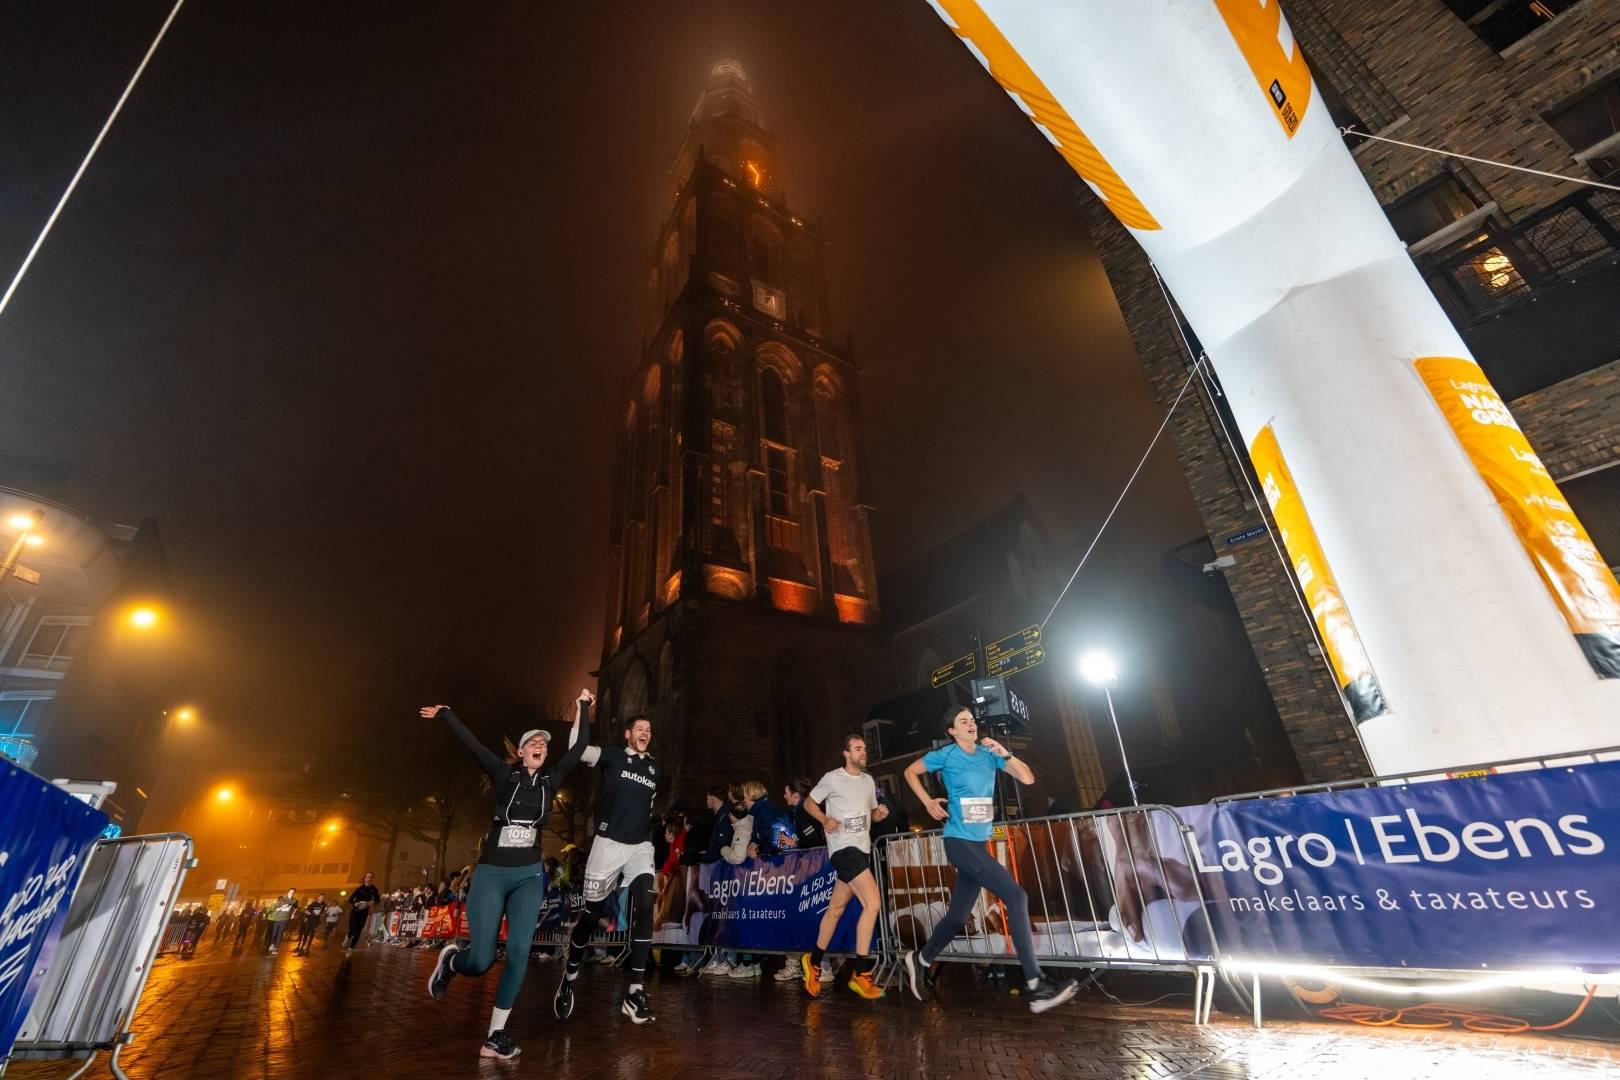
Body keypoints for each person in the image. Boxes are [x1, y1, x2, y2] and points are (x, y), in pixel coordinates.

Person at [423, 691, 591, 1061]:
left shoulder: (550, 781)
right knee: (481, 961)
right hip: (492, 874)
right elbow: (472, 745)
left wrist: (582, 706)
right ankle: (452, 962)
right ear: (521, 751)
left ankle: (494, 1036)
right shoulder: (503, 774)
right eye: (534, 742)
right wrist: (447, 714)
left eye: (544, 744)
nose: (540, 746)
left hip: (528, 876)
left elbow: (579, 747)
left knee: (519, 953)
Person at [899, 706, 1076, 1014]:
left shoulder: (988, 754)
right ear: (952, 731)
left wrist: (1006, 753)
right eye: (963, 721)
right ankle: (1036, 985)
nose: (971, 724)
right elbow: (909, 772)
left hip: (979, 845)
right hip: (958, 841)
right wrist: (927, 801)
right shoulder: (947, 755)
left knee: (958, 917)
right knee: (1016, 896)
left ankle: (921, 958)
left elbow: (1028, 778)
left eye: (972, 720)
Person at [554, 714, 660, 1025]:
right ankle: (570, 975)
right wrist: (582, 710)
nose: (645, 733)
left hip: (640, 846)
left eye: (648, 729)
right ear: (628, 734)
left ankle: (635, 991)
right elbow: (576, 749)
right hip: (608, 845)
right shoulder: (613, 756)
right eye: (639, 728)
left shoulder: (654, 768)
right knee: (590, 917)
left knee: (646, 905)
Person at [798, 735, 889, 1000]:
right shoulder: (832, 778)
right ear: (846, 753)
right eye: (858, 749)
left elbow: (870, 814)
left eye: (864, 749)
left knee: (835, 910)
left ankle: (813, 961)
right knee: (873, 903)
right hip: (843, 849)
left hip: (861, 850)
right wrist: (824, 818)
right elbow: (808, 803)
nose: (863, 752)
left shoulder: (868, 781)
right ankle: (861, 973)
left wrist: (878, 815)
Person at [784, 778, 824, 849]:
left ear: (796, 795)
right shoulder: (807, 806)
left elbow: (815, 842)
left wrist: (794, 843)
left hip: (817, 854)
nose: (784, 796)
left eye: (786, 793)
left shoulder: (801, 812)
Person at [345, 872, 381, 951]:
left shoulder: (374, 889)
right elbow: (350, 899)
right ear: (365, 879)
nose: (369, 878)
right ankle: (348, 937)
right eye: (367, 877)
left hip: (364, 911)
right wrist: (355, 903)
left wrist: (372, 901)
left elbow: (377, 899)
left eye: (371, 877)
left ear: (373, 879)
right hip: (355, 911)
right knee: (352, 929)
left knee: (359, 929)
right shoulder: (360, 888)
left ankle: (351, 947)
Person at [265, 889, 298, 954]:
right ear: (288, 892)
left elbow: (296, 907)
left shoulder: (294, 901)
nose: (291, 893)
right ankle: (272, 945)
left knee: (280, 934)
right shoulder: (282, 899)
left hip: (285, 919)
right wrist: (279, 908)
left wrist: (293, 913)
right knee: (274, 933)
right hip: (277, 918)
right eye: (290, 892)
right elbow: (276, 907)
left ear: (294, 893)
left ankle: (276, 948)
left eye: (293, 892)